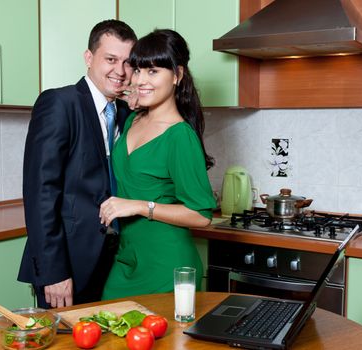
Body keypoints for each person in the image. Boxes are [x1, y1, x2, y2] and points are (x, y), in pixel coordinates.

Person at [18, 20, 137, 308]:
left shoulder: (124, 112)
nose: (120, 72)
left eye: (128, 62)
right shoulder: (59, 103)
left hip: (113, 260)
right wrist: (54, 271)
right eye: (110, 59)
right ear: (89, 57)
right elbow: (41, 194)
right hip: (67, 263)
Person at [99, 29, 216, 300]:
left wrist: (140, 206)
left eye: (153, 72)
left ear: (177, 75)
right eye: (138, 70)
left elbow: (202, 215)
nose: (140, 80)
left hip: (166, 265)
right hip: (127, 258)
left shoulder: (179, 136)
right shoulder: (132, 120)